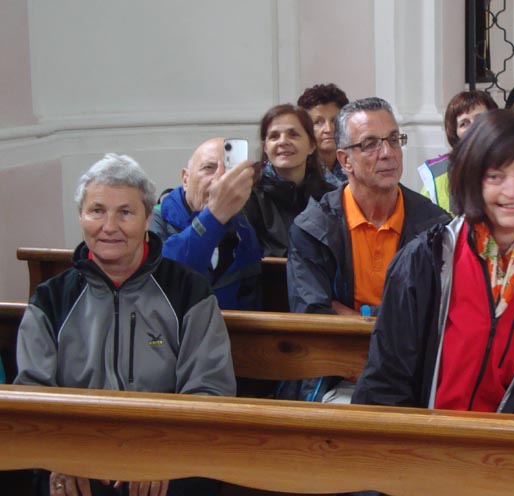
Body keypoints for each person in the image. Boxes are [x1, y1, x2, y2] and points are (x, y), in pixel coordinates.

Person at [16, 153, 235, 495]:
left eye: (125, 213)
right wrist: (62, 453)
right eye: (97, 211)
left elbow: (210, 390)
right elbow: (32, 394)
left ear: (147, 218)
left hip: (170, 453)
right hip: (75, 455)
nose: (109, 227)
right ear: (81, 216)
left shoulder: (189, 291)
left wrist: (161, 455)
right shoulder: (50, 299)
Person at [352, 109, 514, 413]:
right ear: (473, 179)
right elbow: (386, 383)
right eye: (495, 176)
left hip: (510, 441)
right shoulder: (425, 261)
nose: (512, 191)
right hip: (424, 436)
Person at [285, 97, 449, 402]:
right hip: (339, 376)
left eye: (393, 140)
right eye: (370, 144)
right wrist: (394, 319)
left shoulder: (434, 226)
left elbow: (436, 315)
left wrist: (356, 314)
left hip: (416, 377)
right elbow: (314, 315)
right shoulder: (313, 228)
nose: (387, 153)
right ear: (345, 160)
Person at [150, 138, 262, 310]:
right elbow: (165, 282)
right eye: (209, 168)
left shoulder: (243, 229)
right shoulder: (153, 220)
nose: (219, 180)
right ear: (185, 179)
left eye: (228, 171)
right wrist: (213, 216)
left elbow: (251, 302)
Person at [244, 104, 335, 257]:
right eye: (274, 136)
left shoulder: (331, 197)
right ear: (265, 147)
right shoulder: (248, 196)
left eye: (293, 135)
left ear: (312, 145)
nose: (283, 141)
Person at [418, 90, 498, 212]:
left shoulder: (512, 163)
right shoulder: (437, 175)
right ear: (455, 133)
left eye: (480, 119)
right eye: (464, 123)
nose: (473, 127)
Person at [297, 83, 350, 187]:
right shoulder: (299, 170)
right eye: (318, 122)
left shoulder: (353, 164)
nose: (328, 129)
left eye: (334, 121)